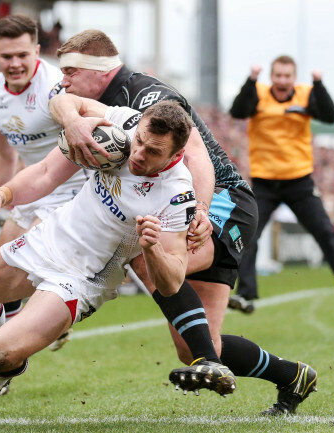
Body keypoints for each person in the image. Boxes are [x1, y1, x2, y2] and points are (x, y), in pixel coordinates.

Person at [55, 30, 317, 415]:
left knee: (147, 253)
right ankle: (293, 376)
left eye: (71, 71)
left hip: (221, 204)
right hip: (184, 209)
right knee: (193, 344)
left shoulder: (148, 97)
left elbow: (197, 159)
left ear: (100, 70)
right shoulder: (99, 104)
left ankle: (207, 362)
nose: (64, 80)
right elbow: (60, 101)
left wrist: (201, 209)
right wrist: (70, 120)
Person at [0, 96, 217, 421]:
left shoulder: (177, 195)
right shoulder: (124, 125)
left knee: (5, 355)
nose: (139, 154)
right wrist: (2, 194)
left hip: (82, 279)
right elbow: (47, 165)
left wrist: (153, 247)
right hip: (49, 239)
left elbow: (172, 283)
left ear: (176, 154)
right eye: (141, 141)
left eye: (153, 152)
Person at [0, 14, 88, 362]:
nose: (15, 63)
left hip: (72, 191)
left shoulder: (57, 87)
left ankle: (15, 348)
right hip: (30, 189)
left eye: (22, 55)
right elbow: (2, 150)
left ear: (37, 50)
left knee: (23, 269)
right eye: (6, 56)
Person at [229, 55, 334, 313]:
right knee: (249, 235)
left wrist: (319, 84)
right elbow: (237, 111)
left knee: (326, 234)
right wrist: (250, 80)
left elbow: (330, 116)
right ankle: (245, 295)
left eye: (287, 76)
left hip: (299, 181)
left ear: (294, 78)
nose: (282, 81)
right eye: (278, 75)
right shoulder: (258, 94)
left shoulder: (306, 94)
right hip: (264, 182)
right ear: (271, 77)